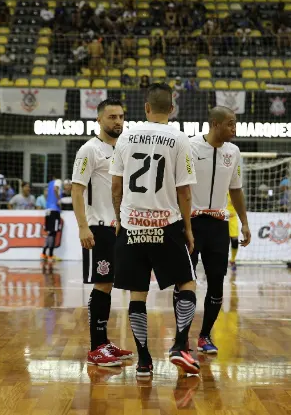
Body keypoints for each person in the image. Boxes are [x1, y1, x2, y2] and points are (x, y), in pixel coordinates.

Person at [110, 82, 200, 378]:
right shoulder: (179, 138)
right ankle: (178, 346)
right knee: (186, 283)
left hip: (132, 227)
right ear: (172, 109)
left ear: (146, 108)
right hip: (167, 226)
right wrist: (187, 229)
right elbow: (184, 191)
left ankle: (144, 360)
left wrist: (119, 218)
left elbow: (116, 186)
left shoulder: (126, 136)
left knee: (138, 293)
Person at [71, 98, 134, 367]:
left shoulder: (126, 148)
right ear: (99, 119)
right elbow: (77, 189)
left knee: (112, 285)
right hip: (100, 228)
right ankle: (96, 347)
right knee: (103, 283)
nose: (117, 121)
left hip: (124, 228)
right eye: (111, 117)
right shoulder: (89, 150)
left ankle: (105, 343)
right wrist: (83, 226)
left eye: (120, 116)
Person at [184, 106, 251, 355]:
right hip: (190, 224)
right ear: (214, 123)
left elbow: (236, 189)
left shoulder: (233, 152)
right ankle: (181, 338)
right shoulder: (189, 146)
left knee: (216, 284)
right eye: (230, 124)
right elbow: (178, 186)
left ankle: (204, 336)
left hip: (219, 226)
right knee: (185, 282)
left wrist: (244, 222)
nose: (234, 129)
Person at [42, 172, 63, 266]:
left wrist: (49, 202)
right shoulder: (58, 181)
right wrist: (59, 200)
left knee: (50, 232)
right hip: (54, 210)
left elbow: (45, 194)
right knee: (53, 232)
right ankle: (50, 255)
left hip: (48, 209)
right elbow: (56, 189)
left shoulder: (49, 183)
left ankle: (43, 253)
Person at [226, 192, 240, 270]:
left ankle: (233, 260)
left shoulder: (235, 190)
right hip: (222, 218)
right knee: (220, 242)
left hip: (232, 218)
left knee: (234, 240)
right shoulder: (221, 189)